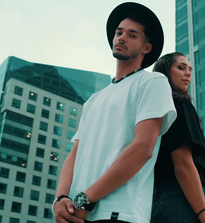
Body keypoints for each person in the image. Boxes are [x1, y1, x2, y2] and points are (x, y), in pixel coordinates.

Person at [52, 3, 177, 223]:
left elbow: (143, 148)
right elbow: (74, 155)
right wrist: (61, 199)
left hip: (120, 213)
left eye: (132, 35)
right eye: (119, 32)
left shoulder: (152, 82)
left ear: (146, 48)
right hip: (77, 215)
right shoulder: (93, 100)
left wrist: (86, 200)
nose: (121, 38)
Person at [151, 52, 205, 223]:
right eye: (181, 68)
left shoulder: (153, 111)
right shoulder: (179, 104)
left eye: (189, 69)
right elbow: (182, 165)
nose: (188, 73)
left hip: (160, 203)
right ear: (165, 72)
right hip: (186, 202)